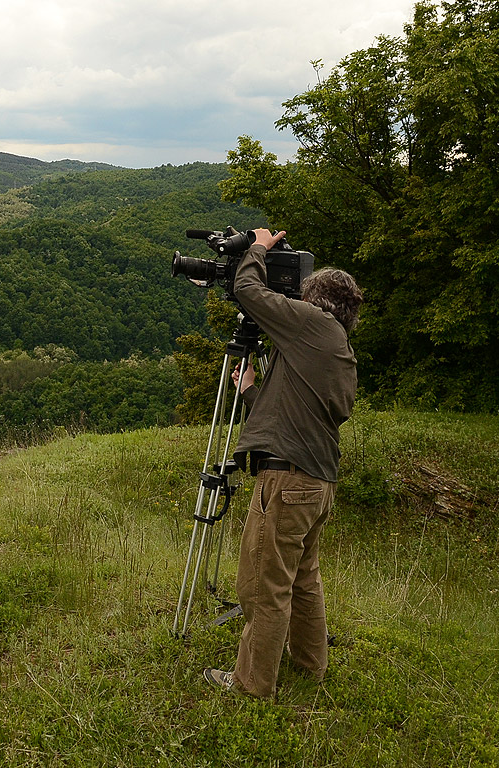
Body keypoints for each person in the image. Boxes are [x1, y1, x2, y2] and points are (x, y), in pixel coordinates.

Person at [202, 228, 363, 699]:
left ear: (315, 300)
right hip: (316, 483)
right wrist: (250, 389)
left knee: (263, 586)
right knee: (303, 579)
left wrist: (257, 246)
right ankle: (310, 666)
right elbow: (295, 414)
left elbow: (247, 292)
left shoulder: (311, 325)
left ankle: (253, 685)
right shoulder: (336, 349)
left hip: (288, 481)